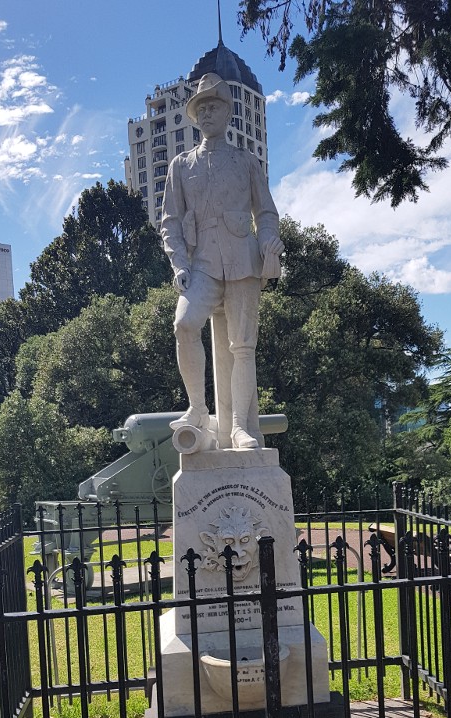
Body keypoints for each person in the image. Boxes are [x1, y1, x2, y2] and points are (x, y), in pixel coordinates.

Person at [161, 72, 284, 450]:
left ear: (228, 113)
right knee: (184, 324)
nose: (208, 112)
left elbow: (266, 213)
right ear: (195, 116)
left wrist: (270, 245)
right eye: (202, 108)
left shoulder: (246, 163)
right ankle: (198, 408)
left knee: (242, 346)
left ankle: (238, 428)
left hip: (243, 262)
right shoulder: (181, 166)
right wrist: (180, 264)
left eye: (215, 106)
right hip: (202, 266)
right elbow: (169, 222)